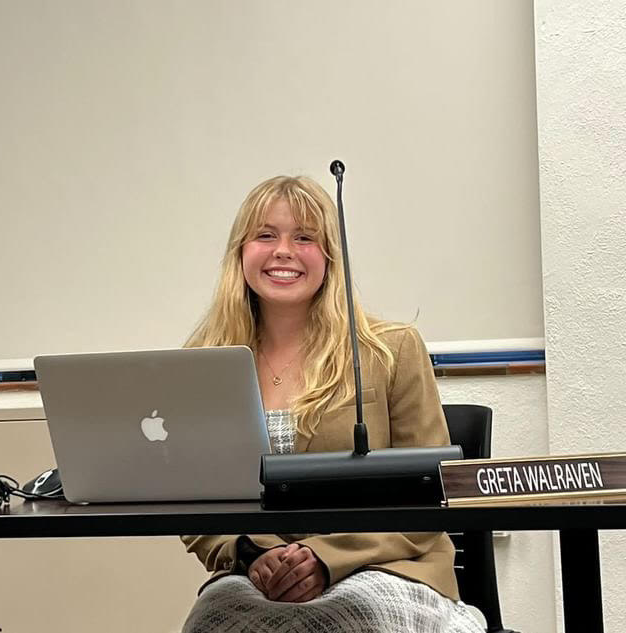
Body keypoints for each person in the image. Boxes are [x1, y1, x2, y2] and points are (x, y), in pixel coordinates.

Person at [180, 175, 483, 633]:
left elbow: (430, 495)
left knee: (334, 624)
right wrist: (252, 553)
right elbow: (193, 500)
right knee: (212, 622)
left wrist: (325, 558)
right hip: (259, 580)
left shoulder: (390, 350)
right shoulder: (205, 363)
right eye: (265, 235)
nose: (283, 250)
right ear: (240, 252)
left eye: (304, 237)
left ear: (330, 258)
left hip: (388, 569)